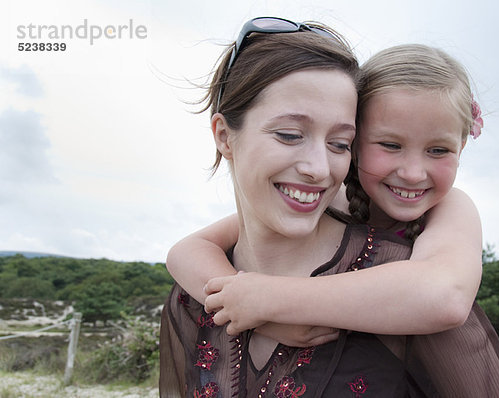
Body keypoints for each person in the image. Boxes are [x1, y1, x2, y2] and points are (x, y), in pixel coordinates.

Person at [164, 39, 499, 397]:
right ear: (358, 143)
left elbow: (445, 296)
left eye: (438, 150)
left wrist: (271, 299)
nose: (413, 173)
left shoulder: (450, 207)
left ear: (461, 146)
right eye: (390, 145)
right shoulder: (327, 196)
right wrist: (247, 306)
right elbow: (186, 250)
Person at [160, 17, 430, 397]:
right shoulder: (191, 297)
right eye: (290, 135)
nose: (319, 169)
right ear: (224, 136)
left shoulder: (403, 278)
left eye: (340, 144)